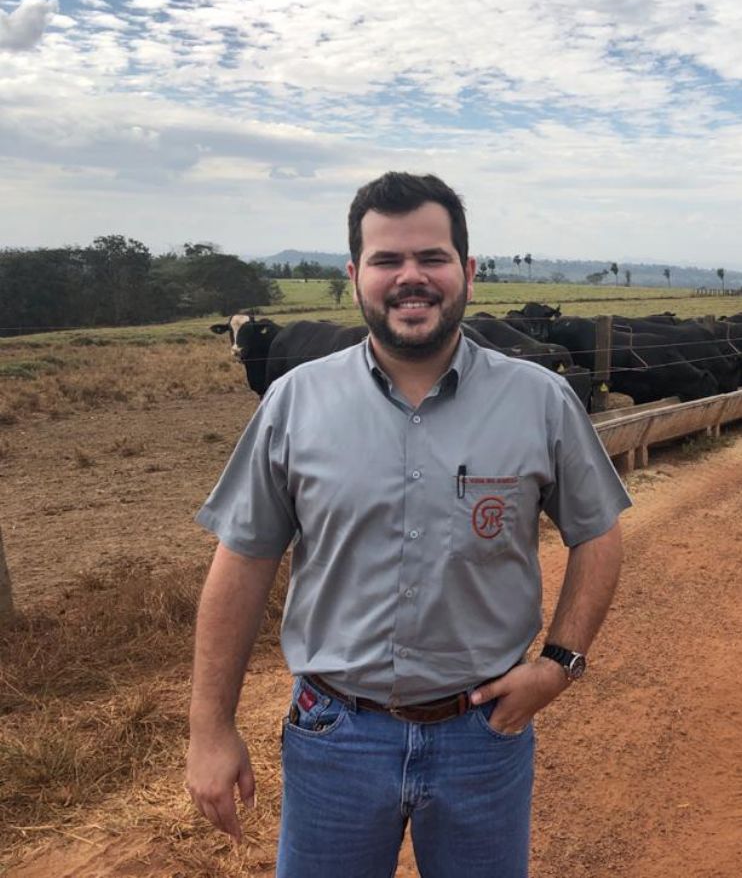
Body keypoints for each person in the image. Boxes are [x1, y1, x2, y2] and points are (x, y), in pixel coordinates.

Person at [185, 172, 631, 877]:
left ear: (468, 272)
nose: (411, 277)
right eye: (388, 261)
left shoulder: (540, 400)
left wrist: (560, 664)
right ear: (355, 275)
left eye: (432, 258)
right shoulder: (294, 402)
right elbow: (242, 562)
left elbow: (598, 531)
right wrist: (210, 729)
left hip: (483, 734)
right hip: (334, 735)